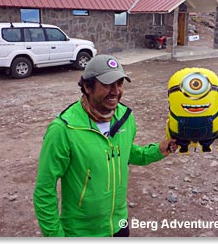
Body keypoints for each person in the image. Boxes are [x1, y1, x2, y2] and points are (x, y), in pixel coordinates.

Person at [33, 54, 176, 237]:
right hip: (82, 233)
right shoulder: (63, 129)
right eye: (108, 84)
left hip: (120, 225)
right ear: (87, 86)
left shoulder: (125, 117)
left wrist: (158, 150)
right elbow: (44, 191)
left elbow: (127, 153)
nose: (116, 91)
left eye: (120, 84)